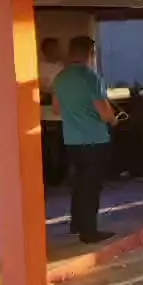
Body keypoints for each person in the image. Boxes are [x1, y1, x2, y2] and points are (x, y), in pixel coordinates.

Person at [51, 37, 117, 244]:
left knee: (79, 183)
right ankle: (89, 231)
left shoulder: (60, 78)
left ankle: (77, 223)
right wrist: (114, 120)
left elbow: (56, 109)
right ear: (91, 52)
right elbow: (105, 112)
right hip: (95, 139)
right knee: (92, 186)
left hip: (72, 140)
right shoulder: (91, 77)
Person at [39, 37, 67, 186]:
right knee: (48, 148)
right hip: (45, 113)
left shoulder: (63, 66)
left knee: (63, 147)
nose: (56, 51)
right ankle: (49, 177)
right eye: (53, 48)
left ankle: (61, 176)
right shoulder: (39, 67)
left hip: (63, 114)